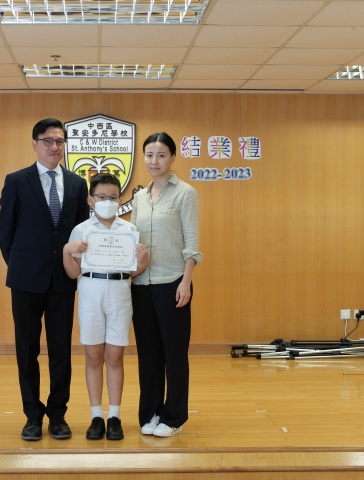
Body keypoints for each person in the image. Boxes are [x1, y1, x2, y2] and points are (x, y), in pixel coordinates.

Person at [0, 118, 90, 441]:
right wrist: (20, 265)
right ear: (35, 144)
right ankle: (32, 416)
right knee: (27, 351)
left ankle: (58, 415)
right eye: (48, 141)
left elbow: (82, 233)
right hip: (25, 280)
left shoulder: (77, 184)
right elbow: (5, 231)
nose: (54, 147)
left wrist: (72, 267)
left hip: (63, 279)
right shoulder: (16, 181)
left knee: (61, 350)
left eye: (60, 141)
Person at [63, 173, 148, 441]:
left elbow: (133, 271)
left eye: (113, 197)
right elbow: (73, 272)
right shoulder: (81, 230)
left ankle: (114, 416)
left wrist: (143, 262)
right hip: (90, 290)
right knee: (93, 357)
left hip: (120, 291)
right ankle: (96, 416)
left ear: (120, 200)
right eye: (102, 196)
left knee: (115, 357)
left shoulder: (129, 230)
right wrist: (67, 251)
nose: (108, 201)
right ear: (91, 200)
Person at [130, 132, 203, 438]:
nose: (154, 161)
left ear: (173, 157)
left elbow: (192, 245)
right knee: (148, 354)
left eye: (161, 155)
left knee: (173, 353)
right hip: (141, 285)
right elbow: (132, 241)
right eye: (149, 155)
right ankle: (150, 412)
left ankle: (173, 417)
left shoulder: (185, 193)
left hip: (173, 282)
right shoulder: (139, 197)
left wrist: (186, 282)